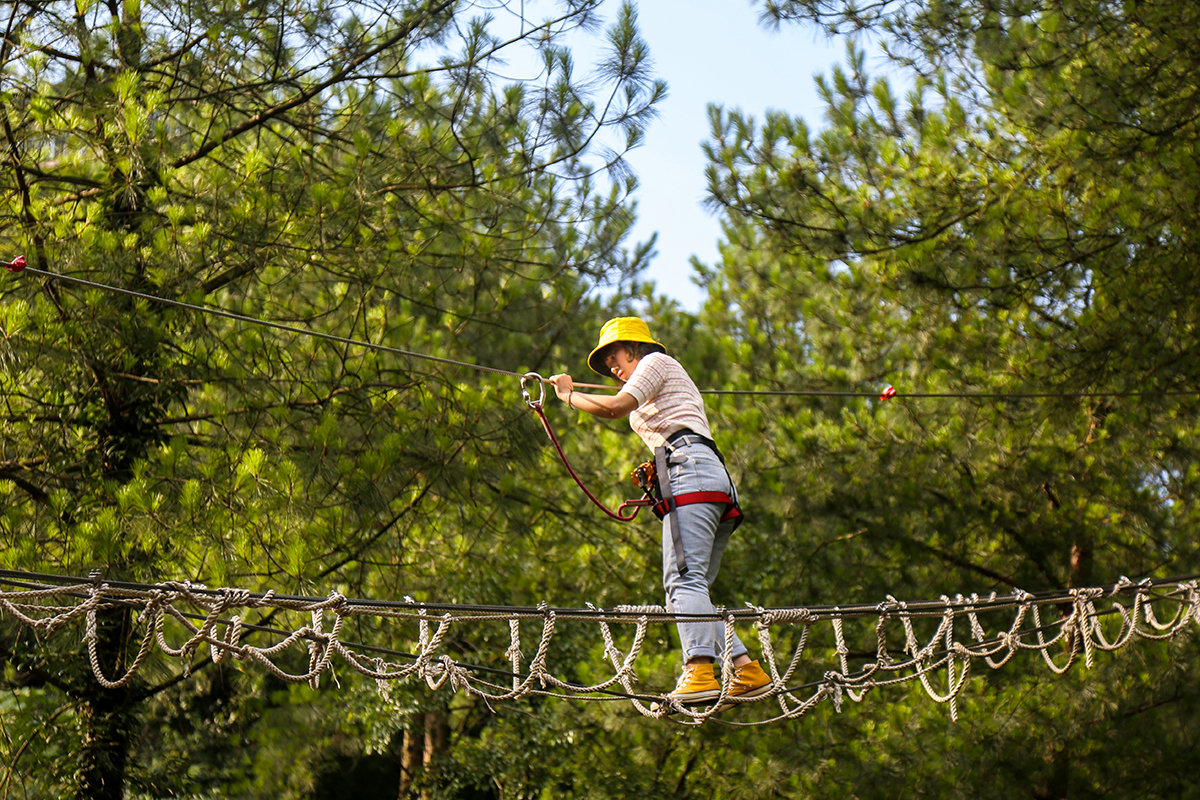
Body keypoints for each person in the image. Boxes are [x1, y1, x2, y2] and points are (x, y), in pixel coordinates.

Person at [548, 317, 771, 705]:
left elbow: (616, 408)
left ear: (635, 347)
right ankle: (746, 669)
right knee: (690, 590)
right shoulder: (656, 379)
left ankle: (700, 670)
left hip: (692, 472)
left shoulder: (656, 363)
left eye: (613, 355)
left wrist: (567, 395)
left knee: (682, 585)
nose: (612, 367)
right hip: (700, 474)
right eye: (606, 364)